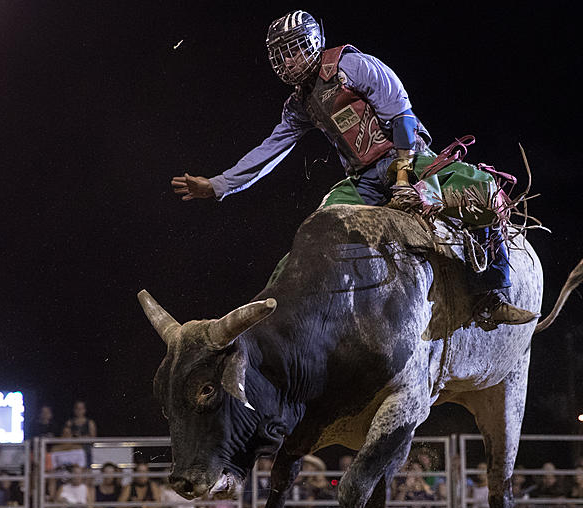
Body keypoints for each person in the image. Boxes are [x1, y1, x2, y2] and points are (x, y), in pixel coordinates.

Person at [169, 10, 534, 326]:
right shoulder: (300, 104)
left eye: (294, 50)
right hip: (361, 180)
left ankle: (492, 294)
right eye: (281, 56)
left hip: (408, 158)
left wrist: (404, 175)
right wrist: (219, 185)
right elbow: (271, 149)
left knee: (483, 188)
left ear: (312, 43)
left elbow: (401, 115)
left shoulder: (352, 65)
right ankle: (274, 311)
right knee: (316, 232)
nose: (289, 62)